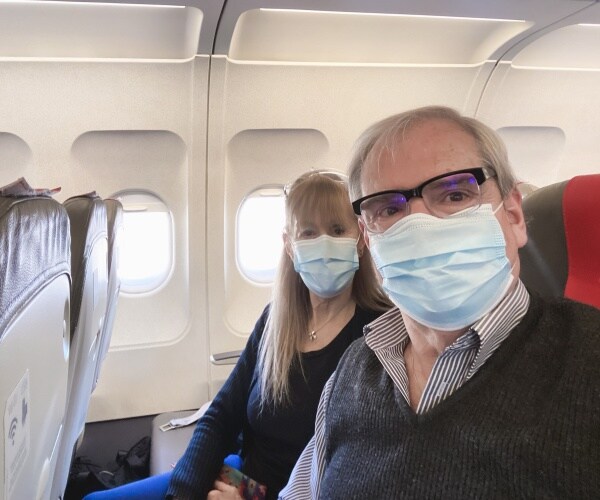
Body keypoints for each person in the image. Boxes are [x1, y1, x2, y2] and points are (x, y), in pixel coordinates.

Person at [280, 106, 600, 499]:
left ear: (513, 214)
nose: (419, 226)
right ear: (368, 238)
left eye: (454, 194)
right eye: (389, 208)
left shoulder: (589, 358)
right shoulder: (353, 370)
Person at [83, 170, 391, 500]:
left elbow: (363, 473)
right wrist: (183, 492)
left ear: (360, 238)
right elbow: (221, 416)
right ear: (289, 245)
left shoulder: (377, 334)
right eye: (308, 233)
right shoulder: (276, 321)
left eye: (337, 229)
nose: (324, 244)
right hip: (241, 479)